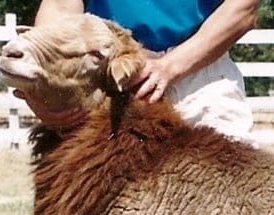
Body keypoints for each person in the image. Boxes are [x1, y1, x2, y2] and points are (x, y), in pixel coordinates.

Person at [15, 0, 259, 143]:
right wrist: (44, 83)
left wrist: (170, 67)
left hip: (200, 72)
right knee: (81, 205)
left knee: (228, 198)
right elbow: (60, 7)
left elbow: (243, 7)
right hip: (105, 75)